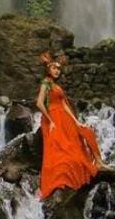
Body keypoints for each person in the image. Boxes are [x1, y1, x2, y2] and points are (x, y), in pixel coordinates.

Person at [35, 50, 106, 199]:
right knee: (63, 152)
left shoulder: (55, 85)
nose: (57, 71)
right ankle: (66, 178)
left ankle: (99, 162)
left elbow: (64, 104)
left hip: (64, 118)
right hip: (54, 118)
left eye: (59, 69)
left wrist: (75, 120)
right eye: (54, 68)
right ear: (48, 69)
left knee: (86, 131)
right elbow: (39, 103)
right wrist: (51, 121)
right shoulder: (46, 83)